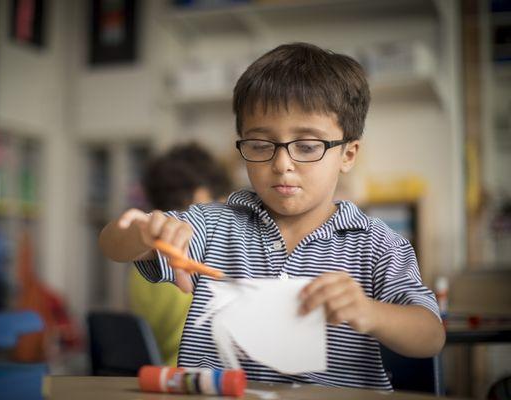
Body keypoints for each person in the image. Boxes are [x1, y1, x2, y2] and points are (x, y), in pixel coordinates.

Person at [99, 43, 445, 389]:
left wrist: (370, 312)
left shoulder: (376, 244)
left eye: (308, 146)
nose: (282, 164)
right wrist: (143, 232)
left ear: (348, 154)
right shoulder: (212, 225)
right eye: (261, 146)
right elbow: (112, 246)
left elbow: (431, 335)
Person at [129, 143, 232, 367]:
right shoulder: (199, 259)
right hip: (199, 377)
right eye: (222, 202)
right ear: (200, 195)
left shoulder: (142, 262)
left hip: (161, 375)